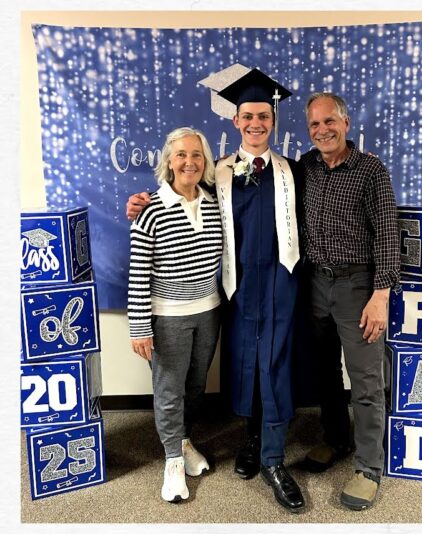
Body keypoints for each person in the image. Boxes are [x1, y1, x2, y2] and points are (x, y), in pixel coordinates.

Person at [127, 68, 307, 512]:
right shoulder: (218, 175)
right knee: (244, 364)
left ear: (274, 120)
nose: (256, 124)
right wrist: (141, 201)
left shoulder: (294, 171)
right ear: (236, 122)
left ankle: (273, 459)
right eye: (248, 116)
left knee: (277, 365)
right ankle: (249, 442)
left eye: (264, 116)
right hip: (237, 290)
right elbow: (179, 191)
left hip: (281, 287)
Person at [300, 92, 399, 511]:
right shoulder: (305, 167)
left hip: (358, 284)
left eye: (329, 122)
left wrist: (380, 296)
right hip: (315, 282)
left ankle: (369, 467)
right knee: (324, 373)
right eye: (314, 125)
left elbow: (388, 235)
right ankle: (335, 439)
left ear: (345, 122)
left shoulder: (371, 170)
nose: (322, 130)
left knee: (365, 379)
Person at [128, 127, 221, 503]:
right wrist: (138, 326)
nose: (189, 162)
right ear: (168, 161)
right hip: (167, 317)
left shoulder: (214, 202)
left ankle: (182, 441)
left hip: (208, 311)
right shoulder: (148, 208)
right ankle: (171, 462)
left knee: (195, 386)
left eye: (196, 155)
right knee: (169, 392)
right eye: (181, 155)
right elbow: (138, 273)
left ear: (205, 161)